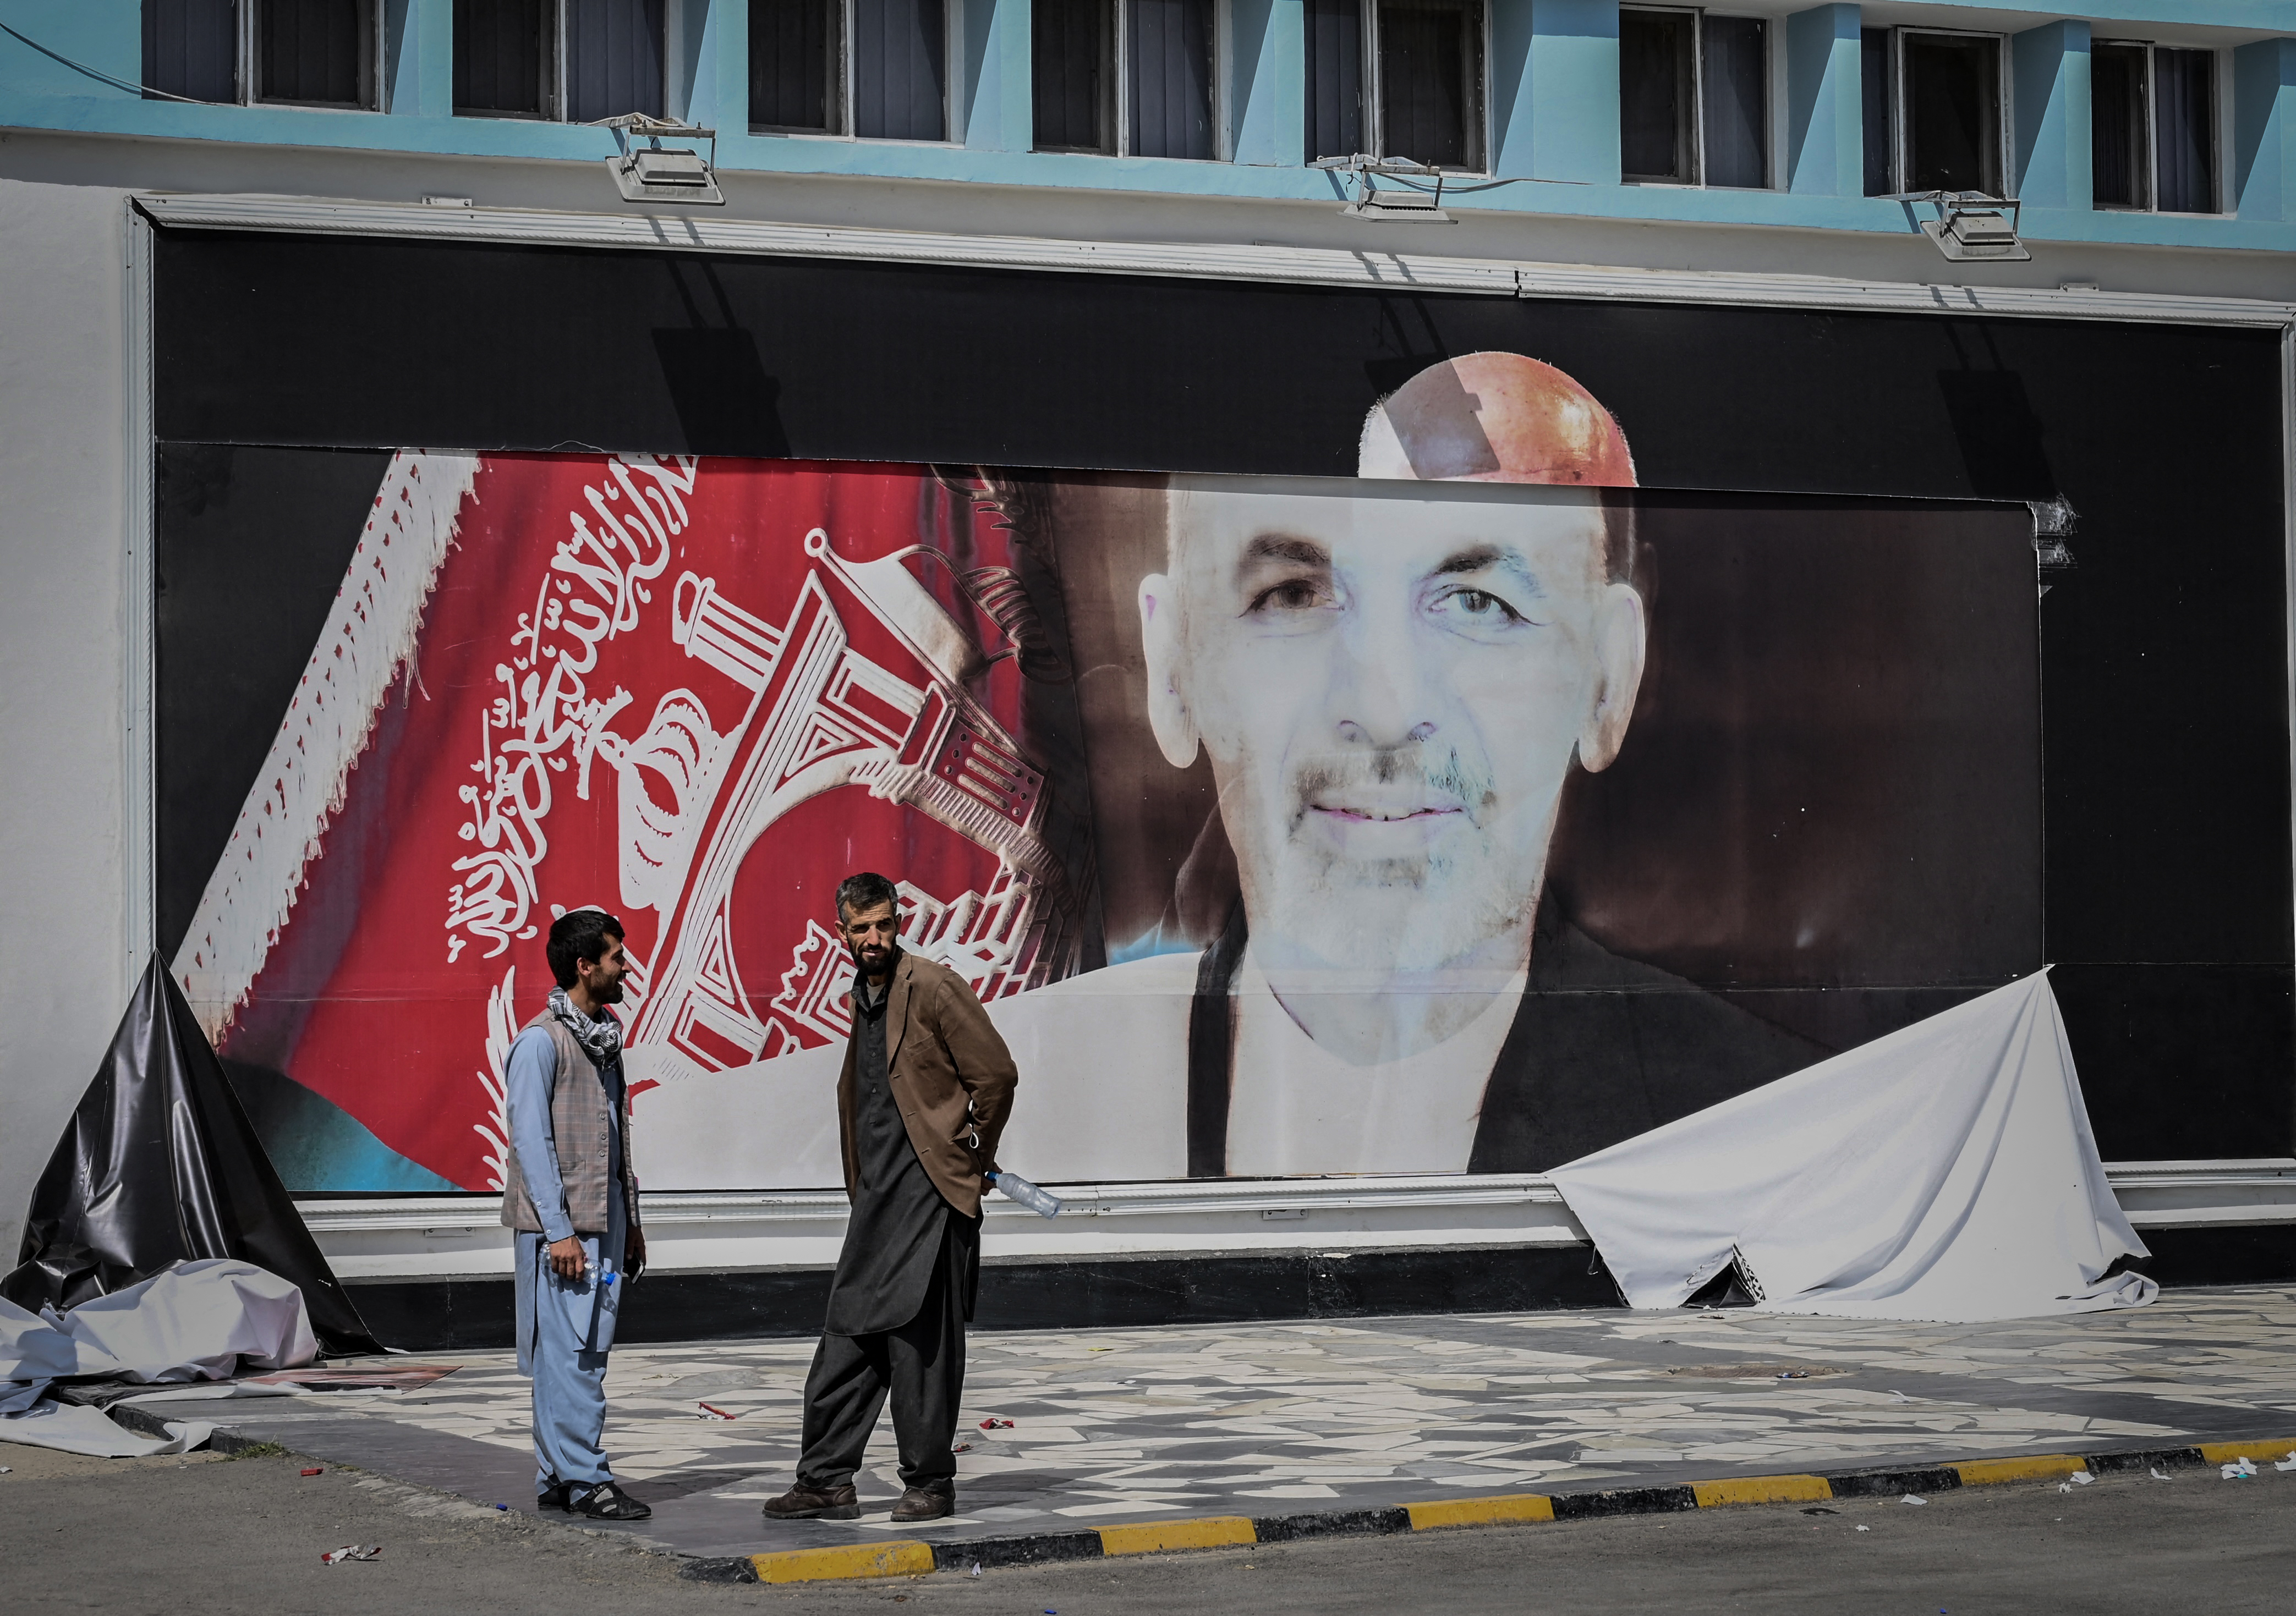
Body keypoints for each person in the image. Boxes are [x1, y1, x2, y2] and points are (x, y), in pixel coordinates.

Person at [1117, 353, 1818, 1176]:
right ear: (1172, 672)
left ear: (1606, 679)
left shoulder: (1776, 1139)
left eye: (1479, 603)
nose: (1384, 711)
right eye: (1295, 595)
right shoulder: (1012, 1105)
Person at [762, 871, 1020, 1524]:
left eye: (884, 924)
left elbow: (996, 1075)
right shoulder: (863, 994)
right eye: (861, 928)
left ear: (898, 921)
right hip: (877, 1201)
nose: (875, 938)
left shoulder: (931, 985)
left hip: (930, 1197)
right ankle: (825, 1480)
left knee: (920, 1345)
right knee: (847, 1336)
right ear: (841, 931)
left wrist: (971, 1153)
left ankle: (930, 1483)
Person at [502, 908, 650, 1520]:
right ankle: (588, 1480)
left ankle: (557, 1476)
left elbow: (615, 1140)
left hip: (603, 1226)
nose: (625, 966)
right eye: (617, 956)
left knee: (570, 1353)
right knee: (576, 1355)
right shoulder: (542, 1041)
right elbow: (531, 1142)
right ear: (585, 966)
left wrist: (631, 1225)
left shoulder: (603, 1041)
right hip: (566, 1234)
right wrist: (560, 1231)